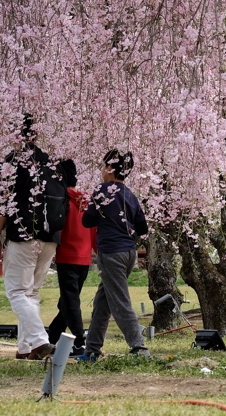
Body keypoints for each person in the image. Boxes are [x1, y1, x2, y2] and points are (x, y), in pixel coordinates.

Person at [0, 114, 60, 361]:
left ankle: (40, 341)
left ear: (14, 135)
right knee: (31, 293)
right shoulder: (51, 162)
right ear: (36, 134)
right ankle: (25, 348)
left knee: (18, 293)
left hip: (22, 236)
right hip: (50, 237)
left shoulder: (10, 164)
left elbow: (1, 205)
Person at [76, 149, 151, 361]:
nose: (101, 171)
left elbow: (87, 221)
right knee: (102, 302)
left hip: (111, 252)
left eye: (103, 166)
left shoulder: (102, 190)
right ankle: (91, 351)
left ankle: (140, 349)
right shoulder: (130, 194)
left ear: (110, 168)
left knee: (120, 302)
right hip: (129, 253)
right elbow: (142, 228)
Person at [47, 159, 95, 357]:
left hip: (67, 254)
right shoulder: (85, 200)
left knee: (70, 301)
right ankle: (52, 335)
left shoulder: (61, 198)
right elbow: (94, 228)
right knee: (67, 302)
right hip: (84, 256)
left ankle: (78, 341)